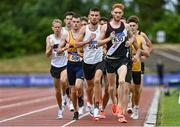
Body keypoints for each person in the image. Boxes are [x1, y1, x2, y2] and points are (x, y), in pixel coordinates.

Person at [98, 3, 141, 123]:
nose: (117, 14)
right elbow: (98, 43)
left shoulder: (126, 26)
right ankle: (115, 105)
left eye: (120, 13)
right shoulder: (105, 27)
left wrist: (129, 42)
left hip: (122, 60)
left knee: (122, 82)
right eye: (115, 12)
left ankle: (121, 110)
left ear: (122, 14)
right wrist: (109, 39)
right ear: (112, 13)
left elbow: (132, 37)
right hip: (110, 60)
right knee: (111, 88)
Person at [76, 7, 106, 120]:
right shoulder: (84, 29)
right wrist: (87, 41)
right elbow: (77, 44)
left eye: (96, 15)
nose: (94, 17)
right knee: (89, 86)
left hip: (99, 60)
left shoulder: (102, 28)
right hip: (87, 61)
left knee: (97, 81)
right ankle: (90, 104)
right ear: (89, 16)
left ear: (99, 17)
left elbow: (108, 39)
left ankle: (97, 106)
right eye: (92, 15)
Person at [127, 15, 150, 119]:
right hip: (126, 65)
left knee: (136, 90)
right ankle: (126, 106)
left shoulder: (141, 37)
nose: (132, 27)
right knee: (126, 86)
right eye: (130, 25)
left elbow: (147, 53)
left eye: (134, 25)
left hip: (137, 66)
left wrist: (139, 53)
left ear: (137, 26)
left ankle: (136, 109)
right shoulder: (124, 37)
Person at [45, 19, 69, 119]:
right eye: (55, 27)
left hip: (65, 64)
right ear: (52, 28)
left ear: (61, 28)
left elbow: (70, 46)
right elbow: (47, 55)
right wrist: (50, 47)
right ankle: (60, 109)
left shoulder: (65, 36)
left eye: (59, 27)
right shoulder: (49, 38)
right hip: (55, 66)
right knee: (57, 90)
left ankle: (65, 96)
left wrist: (64, 48)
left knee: (64, 81)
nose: (57, 29)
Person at [66, 14, 84, 120]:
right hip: (70, 64)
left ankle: (81, 98)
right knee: (72, 90)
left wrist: (82, 52)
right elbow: (59, 49)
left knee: (78, 86)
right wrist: (64, 48)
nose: (76, 23)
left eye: (78, 22)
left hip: (81, 64)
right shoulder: (67, 35)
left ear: (81, 23)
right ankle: (76, 111)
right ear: (71, 23)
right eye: (74, 21)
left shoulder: (84, 34)